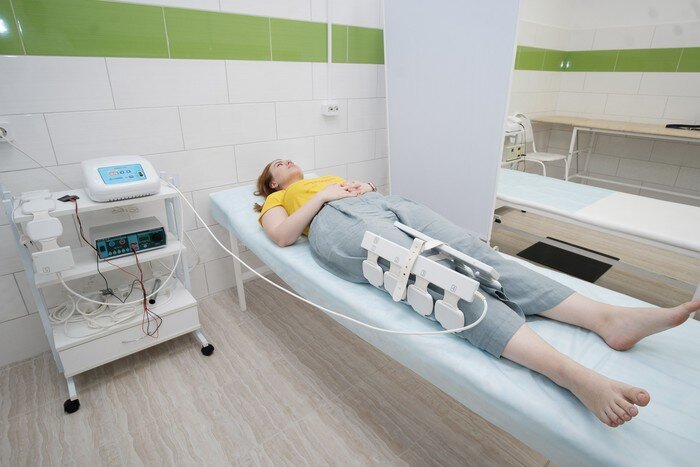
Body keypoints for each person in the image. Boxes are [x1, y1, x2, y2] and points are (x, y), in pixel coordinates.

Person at [255, 159, 700, 428]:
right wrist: (322, 198)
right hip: (335, 222)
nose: (287, 161)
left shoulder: (330, 175)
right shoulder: (278, 200)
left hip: (378, 201)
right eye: (277, 164)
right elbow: (282, 236)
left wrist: (363, 187)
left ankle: (606, 318)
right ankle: (569, 374)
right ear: (271, 184)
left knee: (474, 251)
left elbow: (364, 191)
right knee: (434, 276)